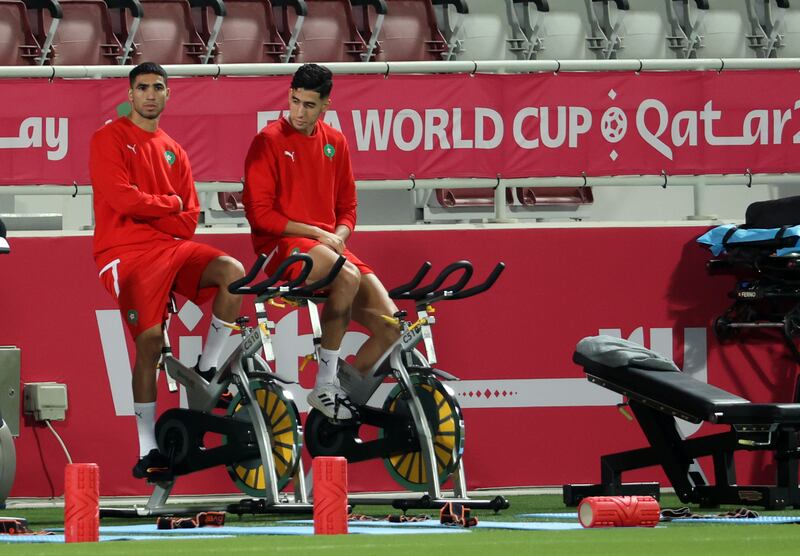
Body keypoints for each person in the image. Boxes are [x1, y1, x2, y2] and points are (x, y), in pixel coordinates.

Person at [89, 62, 245, 480]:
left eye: (159, 87)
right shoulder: (108, 138)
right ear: (130, 94)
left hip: (170, 248)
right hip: (122, 253)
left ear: (168, 94)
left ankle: (208, 369)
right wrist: (168, 204)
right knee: (151, 344)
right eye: (143, 88)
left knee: (234, 271)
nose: (151, 95)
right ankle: (147, 448)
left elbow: (188, 219)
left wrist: (158, 207)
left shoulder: (176, 148)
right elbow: (123, 201)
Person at [243, 63, 400, 420]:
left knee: (392, 326)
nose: (299, 111)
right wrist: (319, 234)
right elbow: (259, 215)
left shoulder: (336, 142)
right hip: (280, 248)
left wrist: (339, 236)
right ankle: (325, 384)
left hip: (328, 247)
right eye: (295, 101)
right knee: (346, 276)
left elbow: (348, 207)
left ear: (326, 105)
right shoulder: (267, 141)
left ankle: (339, 402)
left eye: (309, 105)